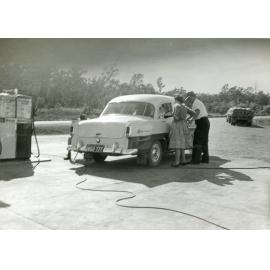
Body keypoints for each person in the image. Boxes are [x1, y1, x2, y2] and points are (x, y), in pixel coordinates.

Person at [185, 91, 210, 164]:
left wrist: (190, 120)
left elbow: (197, 113)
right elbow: (194, 113)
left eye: (188, 98)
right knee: (204, 141)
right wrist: (189, 118)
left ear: (191, 97)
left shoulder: (195, 103)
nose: (188, 100)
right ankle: (205, 159)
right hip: (205, 122)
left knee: (197, 140)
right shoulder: (197, 102)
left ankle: (196, 160)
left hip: (201, 122)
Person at [169, 95, 194, 167]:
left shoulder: (176, 105)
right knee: (182, 143)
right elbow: (193, 113)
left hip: (177, 125)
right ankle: (183, 160)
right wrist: (189, 119)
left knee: (177, 144)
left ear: (176, 99)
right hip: (184, 124)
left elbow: (176, 117)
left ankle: (176, 162)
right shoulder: (184, 106)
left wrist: (173, 114)